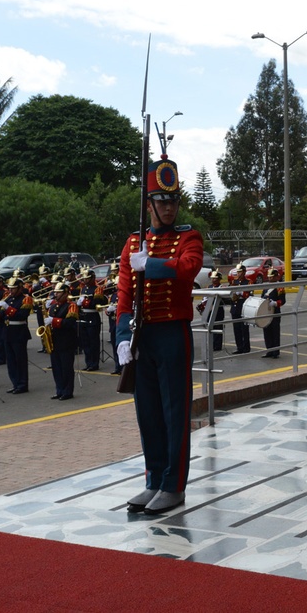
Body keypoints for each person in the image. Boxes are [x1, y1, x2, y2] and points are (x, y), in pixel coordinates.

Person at [116, 154, 203, 515]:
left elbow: (188, 269)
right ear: (149, 204)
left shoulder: (189, 237)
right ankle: (153, 479)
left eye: (173, 201)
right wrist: (122, 335)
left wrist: (150, 264)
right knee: (147, 411)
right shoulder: (134, 241)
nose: (169, 208)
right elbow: (124, 291)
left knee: (173, 411)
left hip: (172, 334)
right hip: (143, 335)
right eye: (162, 202)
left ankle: (173, 485)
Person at [44, 281, 78, 400]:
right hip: (55, 341)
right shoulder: (53, 306)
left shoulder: (71, 306)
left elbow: (70, 323)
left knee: (66, 368)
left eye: (58, 293)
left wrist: (53, 321)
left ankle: (67, 391)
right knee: (57, 368)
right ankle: (59, 390)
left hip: (66, 341)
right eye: (55, 292)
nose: (56, 294)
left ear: (65, 293)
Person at [0, 276, 32, 395]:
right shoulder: (8, 299)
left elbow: (22, 315)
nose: (11, 291)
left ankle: (22, 384)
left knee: (20, 360)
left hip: (19, 332)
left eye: (13, 288)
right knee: (11, 361)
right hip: (7, 332)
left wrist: (7, 309)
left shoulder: (25, 299)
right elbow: (2, 316)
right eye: (10, 288)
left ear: (20, 288)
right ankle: (15, 383)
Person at [76, 268, 107, 371]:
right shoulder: (83, 289)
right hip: (84, 316)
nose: (85, 281)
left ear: (93, 278)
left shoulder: (97, 288)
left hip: (92, 316)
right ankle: (88, 362)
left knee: (93, 342)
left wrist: (85, 302)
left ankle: (94, 363)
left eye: (87, 279)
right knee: (85, 342)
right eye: (84, 279)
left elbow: (96, 302)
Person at [196, 270, 225, 352]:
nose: (213, 280)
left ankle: (218, 345)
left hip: (218, 309)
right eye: (212, 278)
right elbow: (205, 298)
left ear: (219, 279)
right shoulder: (209, 287)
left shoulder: (222, 287)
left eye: (215, 278)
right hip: (210, 310)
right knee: (210, 327)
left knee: (218, 326)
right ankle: (212, 344)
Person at [261, 267, 285, 358]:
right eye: (269, 277)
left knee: (275, 332)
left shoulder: (279, 288)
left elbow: (283, 301)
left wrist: (274, 303)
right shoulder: (266, 287)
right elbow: (262, 297)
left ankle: (275, 352)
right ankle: (269, 350)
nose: (270, 279)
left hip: (275, 313)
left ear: (276, 277)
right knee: (267, 332)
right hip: (266, 313)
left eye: (271, 277)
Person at [229, 264, 252, 354]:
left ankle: (246, 347)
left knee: (244, 329)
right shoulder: (234, 282)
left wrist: (241, 293)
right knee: (236, 329)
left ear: (244, 272)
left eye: (240, 272)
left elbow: (249, 294)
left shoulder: (248, 282)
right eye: (237, 272)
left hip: (243, 307)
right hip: (235, 307)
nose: (238, 274)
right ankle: (239, 347)